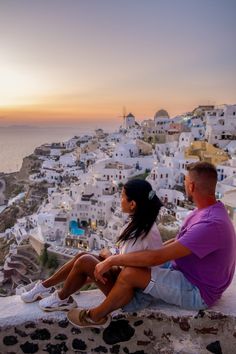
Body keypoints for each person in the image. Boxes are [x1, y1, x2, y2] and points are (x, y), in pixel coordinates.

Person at [68, 161, 236, 329]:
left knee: (130, 274)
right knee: (133, 266)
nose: (184, 184)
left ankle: (94, 317)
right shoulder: (204, 212)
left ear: (191, 186)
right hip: (186, 272)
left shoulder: (210, 223)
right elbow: (175, 243)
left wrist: (113, 260)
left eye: (185, 181)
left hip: (197, 290)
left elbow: (157, 257)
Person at [21, 179, 163, 317]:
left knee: (86, 261)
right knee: (82, 256)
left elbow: (127, 266)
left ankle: (62, 298)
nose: (120, 200)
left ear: (132, 204)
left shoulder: (143, 232)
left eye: (122, 197)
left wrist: (108, 257)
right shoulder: (140, 224)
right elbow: (126, 261)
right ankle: (45, 286)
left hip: (131, 296)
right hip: (127, 284)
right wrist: (108, 258)